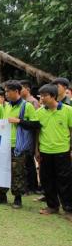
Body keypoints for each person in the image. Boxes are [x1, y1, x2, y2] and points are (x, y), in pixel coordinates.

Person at [0, 80, 39, 208]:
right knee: (1, 170)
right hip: (4, 144)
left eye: (8, 91)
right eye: (5, 91)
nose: (6, 94)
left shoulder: (27, 106)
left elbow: (35, 125)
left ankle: (17, 199)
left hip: (18, 146)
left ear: (16, 91)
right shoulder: (7, 106)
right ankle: (1, 195)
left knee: (18, 172)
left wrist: (19, 121)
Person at [36, 84, 72, 221]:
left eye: (45, 96)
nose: (42, 98)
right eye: (41, 96)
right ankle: (52, 206)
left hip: (63, 152)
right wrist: (36, 150)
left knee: (65, 181)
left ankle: (68, 209)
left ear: (53, 96)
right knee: (47, 180)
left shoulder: (68, 110)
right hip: (45, 152)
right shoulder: (39, 112)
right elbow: (37, 133)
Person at [19, 80, 41, 195]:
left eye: (20, 88)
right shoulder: (22, 102)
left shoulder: (32, 102)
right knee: (25, 161)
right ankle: (28, 185)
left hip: (30, 136)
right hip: (23, 136)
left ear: (27, 89)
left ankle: (32, 186)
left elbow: (36, 122)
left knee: (29, 161)